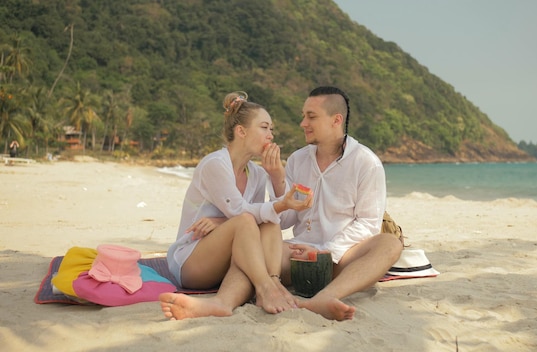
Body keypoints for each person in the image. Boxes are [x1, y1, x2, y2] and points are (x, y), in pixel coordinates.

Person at [159, 91, 312, 320]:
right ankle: (266, 288)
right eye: (264, 127)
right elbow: (242, 214)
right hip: (191, 261)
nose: (270, 135)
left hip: (231, 256)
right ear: (241, 131)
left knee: (267, 223)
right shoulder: (215, 165)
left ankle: (228, 301)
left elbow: (266, 221)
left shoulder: (258, 174)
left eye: (271, 129)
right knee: (250, 220)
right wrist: (279, 205)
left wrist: (277, 175)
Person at [278, 86, 403, 321]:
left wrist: (326, 252)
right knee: (256, 245)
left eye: (311, 116)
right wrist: (276, 181)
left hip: (341, 258)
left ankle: (326, 297)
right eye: (303, 115)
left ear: (336, 120)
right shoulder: (296, 160)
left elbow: (368, 224)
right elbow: (286, 220)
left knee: (390, 244)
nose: (303, 123)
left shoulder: (366, 162)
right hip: (297, 255)